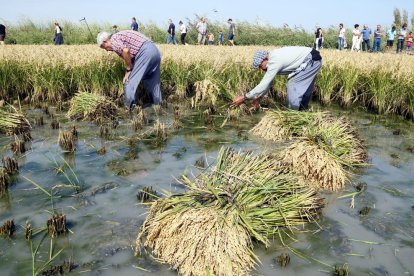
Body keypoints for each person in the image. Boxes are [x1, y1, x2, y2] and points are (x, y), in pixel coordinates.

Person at [232, 47, 322, 111]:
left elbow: (263, 84)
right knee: (303, 90)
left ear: (265, 58)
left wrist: (244, 98)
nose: (261, 69)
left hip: (311, 59)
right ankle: (302, 112)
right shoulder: (272, 59)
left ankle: (293, 114)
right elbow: (268, 83)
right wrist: (259, 98)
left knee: (293, 84)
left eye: (260, 65)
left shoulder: (274, 61)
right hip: (313, 59)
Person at [97, 30, 162, 109]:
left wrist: (128, 70)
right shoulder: (119, 36)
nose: (106, 50)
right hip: (155, 51)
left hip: (145, 53)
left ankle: (130, 108)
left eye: (104, 47)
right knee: (151, 80)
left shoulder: (113, 40)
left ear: (105, 41)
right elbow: (131, 57)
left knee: (128, 82)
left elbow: (126, 51)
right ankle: (158, 105)